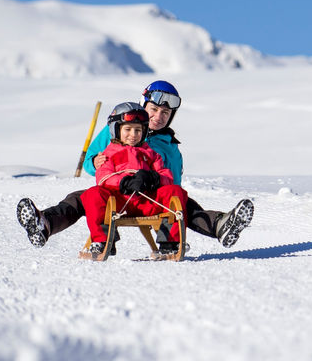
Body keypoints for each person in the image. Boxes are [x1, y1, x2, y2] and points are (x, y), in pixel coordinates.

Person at [17, 80, 253, 250]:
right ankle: (44, 223)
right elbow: (93, 161)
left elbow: (173, 183)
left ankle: (222, 225)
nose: (158, 116)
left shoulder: (169, 145)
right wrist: (95, 163)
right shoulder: (120, 126)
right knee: (79, 198)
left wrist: (155, 181)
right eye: (154, 109)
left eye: (165, 112)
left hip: (152, 197)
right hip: (115, 192)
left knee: (185, 203)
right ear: (143, 105)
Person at [78, 103, 187, 257]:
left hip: (147, 201)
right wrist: (123, 182)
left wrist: (153, 178)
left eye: (138, 130)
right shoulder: (108, 153)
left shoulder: (150, 153)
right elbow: (103, 177)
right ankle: (102, 241)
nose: (133, 134)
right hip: (118, 203)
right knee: (93, 194)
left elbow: (167, 175)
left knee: (175, 191)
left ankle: (170, 242)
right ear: (117, 130)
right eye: (127, 129)